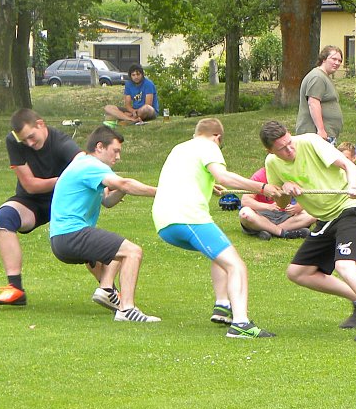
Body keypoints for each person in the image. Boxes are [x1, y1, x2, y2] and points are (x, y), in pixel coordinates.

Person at [261, 120, 356, 343]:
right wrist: (286, 189)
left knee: (345, 266)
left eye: (289, 142)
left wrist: (353, 185)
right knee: (298, 272)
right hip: (327, 218)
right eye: (282, 148)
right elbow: (281, 203)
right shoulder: (272, 163)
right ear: (270, 150)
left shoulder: (310, 142)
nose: (290, 149)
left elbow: (348, 166)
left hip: (353, 206)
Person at [153, 117, 275, 339]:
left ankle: (222, 305)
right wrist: (262, 187)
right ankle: (241, 324)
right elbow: (224, 176)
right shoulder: (209, 146)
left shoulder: (180, 148)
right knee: (236, 265)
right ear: (217, 137)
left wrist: (209, 183)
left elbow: (187, 176)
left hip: (164, 223)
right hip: (187, 217)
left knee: (220, 253)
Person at [48, 125, 159, 322]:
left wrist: (122, 189)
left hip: (61, 239)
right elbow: (124, 183)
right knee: (132, 252)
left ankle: (107, 289)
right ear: (99, 147)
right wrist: (162, 192)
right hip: (71, 234)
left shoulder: (82, 164)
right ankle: (126, 309)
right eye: (115, 151)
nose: (118, 157)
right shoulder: (91, 165)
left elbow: (107, 201)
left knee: (116, 249)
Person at [0, 108, 82, 306]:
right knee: (3, 217)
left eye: (31, 137)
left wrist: (107, 185)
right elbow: (30, 185)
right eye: (24, 140)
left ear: (41, 124)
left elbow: (84, 165)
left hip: (63, 201)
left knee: (83, 240)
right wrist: (65, 180)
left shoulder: (61, 143)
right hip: (31, 202)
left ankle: (109, 290)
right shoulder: (13, 141)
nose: (29, 144)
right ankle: (15, 289)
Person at [238, 167, 315, 240]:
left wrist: (298, 207)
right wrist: (267, 206)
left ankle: (269, 231)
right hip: (262, 216)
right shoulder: (260, 175)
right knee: (245, 213)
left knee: (313, 214)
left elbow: (311, 197)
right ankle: (283, 233)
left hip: (286, 216)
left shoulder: (293, 174)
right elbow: (245, 201)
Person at [295, 45, 344, 142]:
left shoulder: (323, 77)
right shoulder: (317, 77)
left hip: (326, 134)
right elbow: (313, 103)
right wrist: (321, 130)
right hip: (315, 135)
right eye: (334, 59)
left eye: (339, 60)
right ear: (324, 59)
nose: (337, 63)